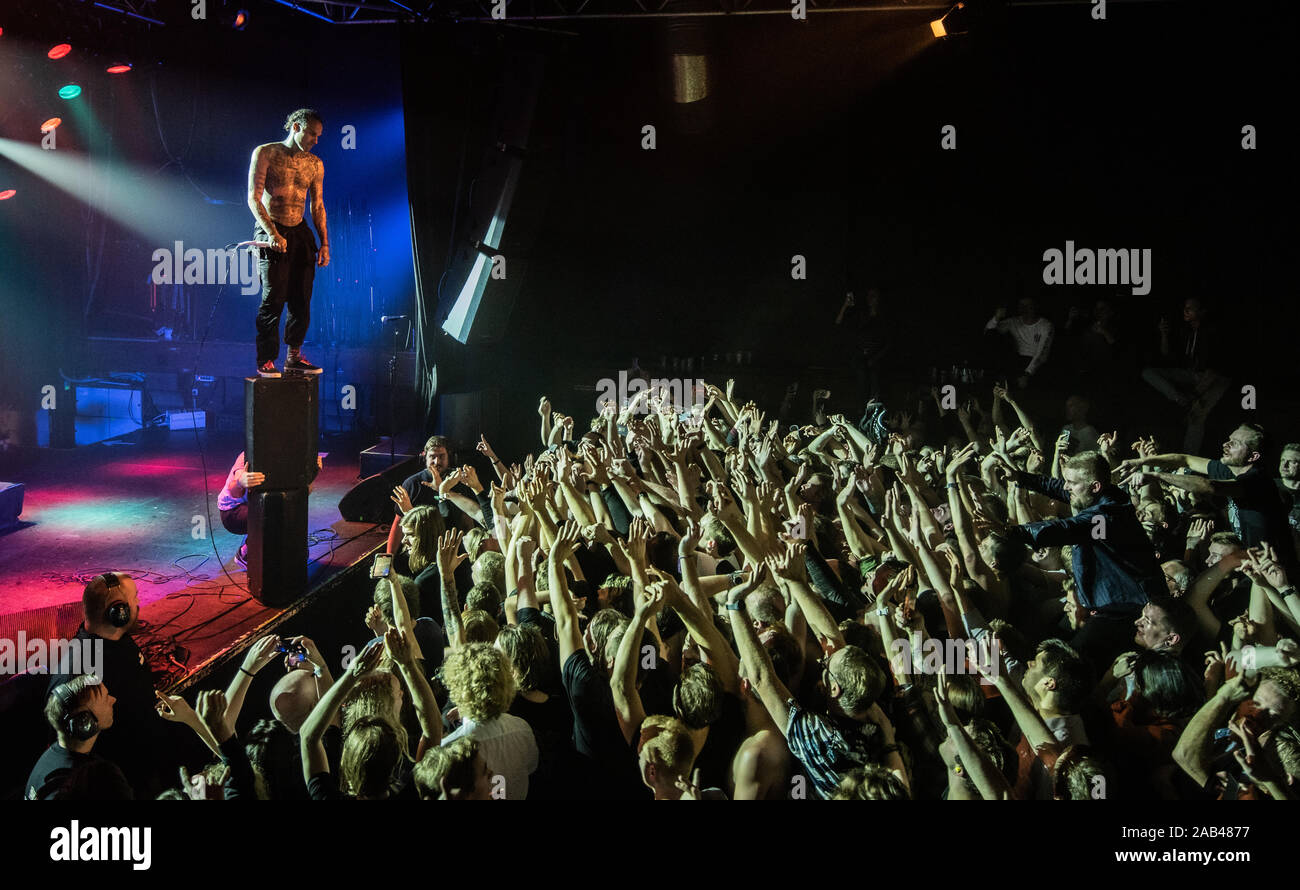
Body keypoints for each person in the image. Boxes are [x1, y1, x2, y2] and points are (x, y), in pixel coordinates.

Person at [996, 451, 1164, 665]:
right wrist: (1020, 477)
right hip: (1106, 600)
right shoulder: (1103, 495)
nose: (1066, 487)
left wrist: (1011, 532)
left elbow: (1065, 528)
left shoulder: (1105, 516)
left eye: (1072, 483)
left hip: (1122, 607)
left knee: (1066, 661)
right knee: (1051, 639)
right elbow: (1059, 488)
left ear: (1095, 487)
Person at [247, 108, 329, 377]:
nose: (315, 140)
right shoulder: (266, 153)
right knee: (273, 298)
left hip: (299, 230)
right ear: (296, 127)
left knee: (301, 298)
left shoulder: (315, 164)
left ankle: (294, 356)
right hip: (271, 226)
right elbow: (253, 198)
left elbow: (317, 205)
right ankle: (266, 360)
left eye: (318, 136)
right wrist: (271, 233)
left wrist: (324, 242)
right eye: (312, 134)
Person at [1139, 298, 1230, 453]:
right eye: (1185, 308)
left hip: (1215, 379)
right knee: (1148, 373)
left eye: (1190, 308)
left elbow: (1214, 371)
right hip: (1191, 375)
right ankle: (1181, 399)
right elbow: (1166, 355)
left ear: (1202, 312)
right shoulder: (1185, 331)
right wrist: (1164, 334)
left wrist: (1195, 395)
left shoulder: (1212, 332)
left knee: (1196, 417)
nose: (1185, 311)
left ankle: (1188, 459)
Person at [27, 676, 127, 800]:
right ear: (84, 724)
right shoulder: (73, 785)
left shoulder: (53, 757)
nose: (113, 700)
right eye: (105, 699)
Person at [985, 297, 1053, 389]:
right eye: (1021, 306)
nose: (1024, 309)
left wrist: (1027, 374)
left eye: (1028, 306)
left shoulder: (1046, 325)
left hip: (1037, 364)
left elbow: (1041, 354)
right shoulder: (1014, 321)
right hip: (1018, 361)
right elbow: (988, 331)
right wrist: (996, 318)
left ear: (1035, 307)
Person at [218, 452, 264, 565]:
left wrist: (313, 471)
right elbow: (234, 491)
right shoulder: (247, 454)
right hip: (232, 511)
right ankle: (245, 554)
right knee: (271, 516)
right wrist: (240, 482)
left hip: (254, 505)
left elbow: (303, 493)